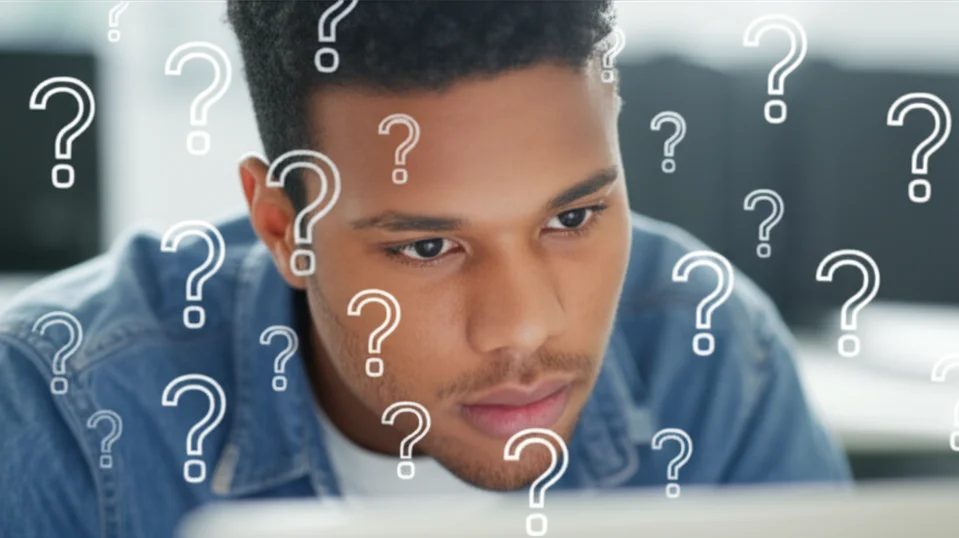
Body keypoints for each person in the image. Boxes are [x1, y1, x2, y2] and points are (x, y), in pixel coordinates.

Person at [0, 1, 851, 537]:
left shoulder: (714, 354)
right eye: (427, 247)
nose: (524, 324)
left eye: (572, 218)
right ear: (284, 229)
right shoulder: (59, 409)